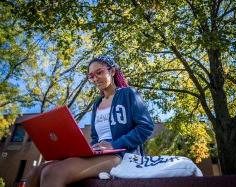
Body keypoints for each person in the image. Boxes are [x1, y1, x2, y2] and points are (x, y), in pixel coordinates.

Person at [24, 56, 154, 187]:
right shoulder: (97, 104)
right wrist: (90, 149)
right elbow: (95, 137)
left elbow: (146, 127)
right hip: (100, 154)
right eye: (91, 76)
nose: (95, 78)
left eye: (99, 72)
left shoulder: (128, 93)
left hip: (122, 155)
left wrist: (114, 145)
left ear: (112, 72)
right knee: (35, 172)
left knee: (52, 172)